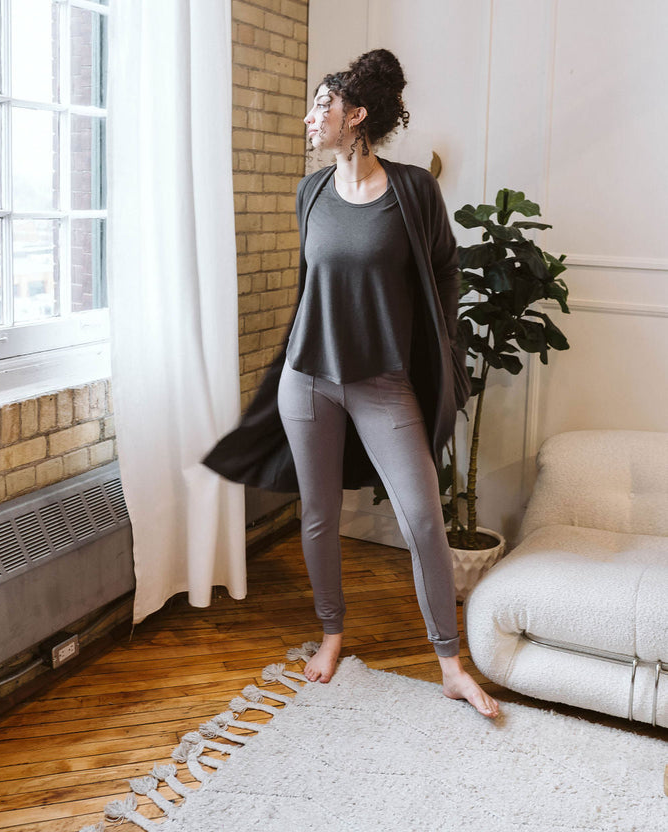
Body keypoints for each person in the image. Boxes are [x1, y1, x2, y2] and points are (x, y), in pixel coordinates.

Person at [204, 48, 500, 718]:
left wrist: (446, 349)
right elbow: (320, 286)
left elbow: (446, 268)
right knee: (318, 517)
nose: (311, 118)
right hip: (307, 381)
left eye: (321, 106)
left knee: (422, 520)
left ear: (356, 114)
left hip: (382, 385)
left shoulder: (411, 191)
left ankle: (448, 663)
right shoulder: (309, 192)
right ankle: (332, 633)